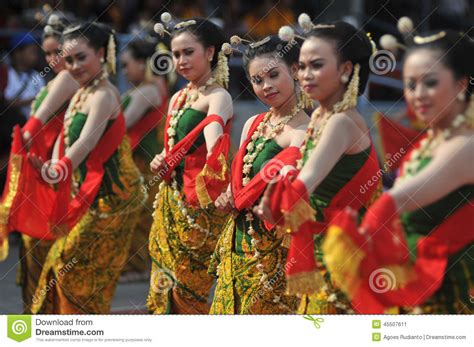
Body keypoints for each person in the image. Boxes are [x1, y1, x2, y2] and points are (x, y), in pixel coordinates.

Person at [323, 29, 474, 314]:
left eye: (430, 82)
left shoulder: (465, 144)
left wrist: (361, 233)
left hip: (453, 292)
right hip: (425, 288)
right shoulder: (433, 141)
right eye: (410, 84)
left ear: (460, 84)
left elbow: (400, 199)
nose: (417, 95)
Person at [15, 21, 145, 314]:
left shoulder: (103, 95)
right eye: (68, 59)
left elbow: (85, 142)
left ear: (101, 53)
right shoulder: (82, 92)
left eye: (80, 57)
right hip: (87, 193)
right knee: (64, 269)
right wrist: (51, 166)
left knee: (74, 272)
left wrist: (57, 169)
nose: (72, 65)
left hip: (113, 199)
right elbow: (65, 138)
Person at [255, 19, 382, 314]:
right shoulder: (320, 117)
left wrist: (276, 200)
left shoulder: (341, 122)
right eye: (301, 66)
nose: (304, 75)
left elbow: (306, 181)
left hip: (341, 255)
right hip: (324, 244)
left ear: (346, 69)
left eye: (316, 65)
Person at [209, 35, 309, 314]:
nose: (266, 86)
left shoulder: (303, 133)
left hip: (273, 251)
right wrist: (229, 194)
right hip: (237, 242)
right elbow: (240, 180)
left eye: (274, 75)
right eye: (257, 80)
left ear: (295, 71)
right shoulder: (253, 123)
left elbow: (292, 191)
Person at [147, 14, 233, 314]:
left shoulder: (218, 97)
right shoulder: (178, 97)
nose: (181, 60)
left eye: (188, 52)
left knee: (187, 286)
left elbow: (214, 138)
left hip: (199, 205)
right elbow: (171, 149)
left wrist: (214, 159)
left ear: (210, 53)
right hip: (171, 202)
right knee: (164, 283)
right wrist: (160, 160)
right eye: (176, 54)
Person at [12, 15, 80, 313]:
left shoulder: (70, 80)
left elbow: (38, 130)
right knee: (34, 250)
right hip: (39, 170)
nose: (53, 59)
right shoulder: (52, 81)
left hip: (55, 173)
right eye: (48, 53)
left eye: (59, 52)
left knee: (46, 251)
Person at [119, 39, 169, 282]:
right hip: (140, 159)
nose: (124, 70)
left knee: (139, 215)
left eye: (126, 64)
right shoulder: (145, 87)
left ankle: (137, 267)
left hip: (144, 161)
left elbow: (123, 124)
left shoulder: (148, 90)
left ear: (142, 63)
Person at [4, 32, 45, 119]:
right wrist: (35, 99)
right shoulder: (6, 74)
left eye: (36, 52)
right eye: (31, 52)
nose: (35, 56)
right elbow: (5, 102)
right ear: (17, 53)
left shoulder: (37, 75)